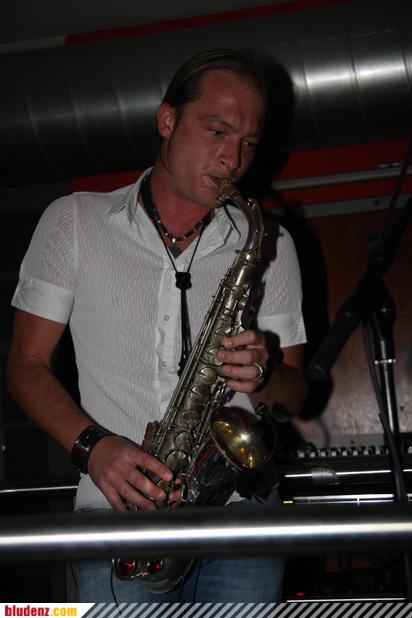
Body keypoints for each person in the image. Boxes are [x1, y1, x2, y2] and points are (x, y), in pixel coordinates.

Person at [6, 48, 307, 603]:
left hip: (243, 516)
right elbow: (24, 365)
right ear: (167, 120)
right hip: (122, 516)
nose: (233, 159)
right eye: (216, 131)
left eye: (248, 143)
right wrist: (93, 448)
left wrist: (266, 373)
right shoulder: (74, 221)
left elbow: (296, 398)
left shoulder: (271, 243)